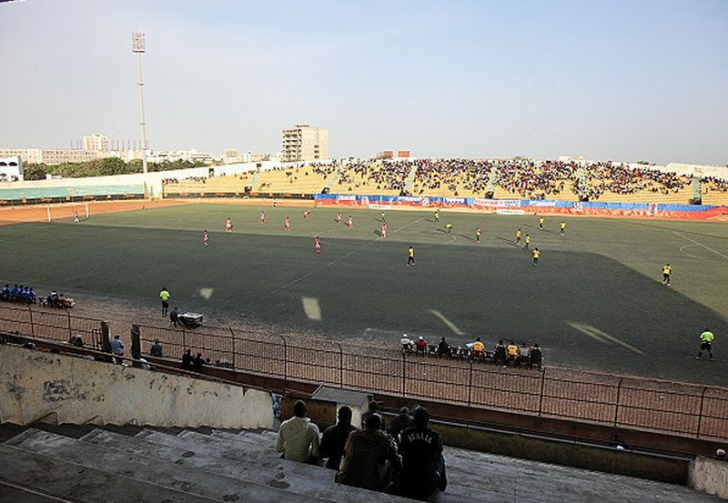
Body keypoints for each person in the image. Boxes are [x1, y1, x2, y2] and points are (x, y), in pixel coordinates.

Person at [336, 413, 401, 492]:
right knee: (388, 464)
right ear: (380, 426)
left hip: (345, 478)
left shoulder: (353, 435)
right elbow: (397, 464)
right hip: (368, 483)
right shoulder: (385, 440)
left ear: (364, 424)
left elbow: (346, 453)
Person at [399, 406, 446, 500]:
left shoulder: (405, 433)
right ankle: (442, 485)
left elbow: (401, 451)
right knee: (440, 457)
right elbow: (438, 453)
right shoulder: (435, 436)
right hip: (427, 480)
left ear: (414, 419)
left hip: (408, 477)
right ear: (427, 420)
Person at [276, 399, 320, 463]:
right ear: (306, 411)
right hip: (304, 461)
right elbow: (315, 453)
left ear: (293, 411)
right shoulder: (313, 429)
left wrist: (290, 447)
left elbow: (279, 449)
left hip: (288, 459)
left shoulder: (284, 425)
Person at [320, 406, 358, 470]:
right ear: (350, 417)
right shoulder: (357, 434)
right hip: (349, 468)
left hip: (332, 466)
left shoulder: (329, 431)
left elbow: (323, 453)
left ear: (338, 417)